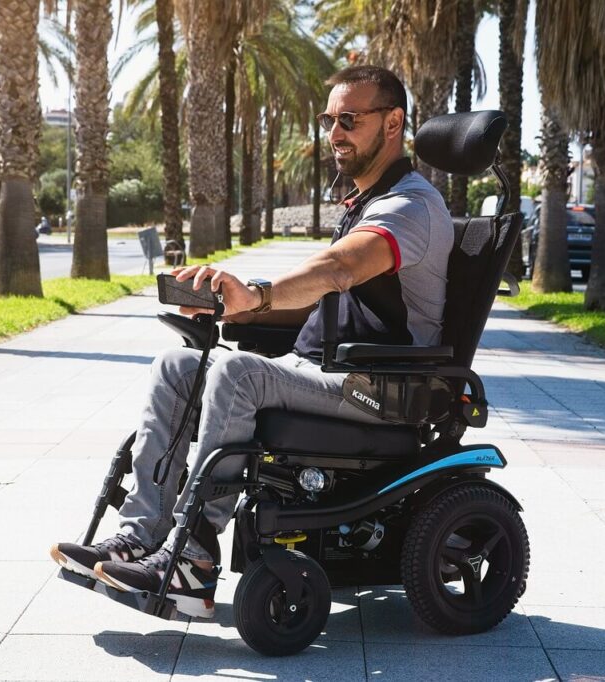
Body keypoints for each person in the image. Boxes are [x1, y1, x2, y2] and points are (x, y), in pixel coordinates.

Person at [50, 65, 455, 619]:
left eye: (349, 120)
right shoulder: (367, 202)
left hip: (382, 387)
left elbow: (339, 269)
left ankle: (192, 559)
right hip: (330, 368)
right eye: (329, 120)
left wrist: (257, 295)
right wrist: (226, 302)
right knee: (177, 364)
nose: (335, 133)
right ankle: (139, 535)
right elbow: (328, 301)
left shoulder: (410, 206)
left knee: (236, 373)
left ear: (393, 124)